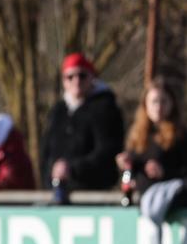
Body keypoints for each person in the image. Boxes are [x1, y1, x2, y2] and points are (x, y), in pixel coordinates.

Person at [40, 52, 124, 193]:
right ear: (63, 81)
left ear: (92, 77)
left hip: (93, 192)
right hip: (58, 189)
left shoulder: (105, 108)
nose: (76, 81)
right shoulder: (58, 111)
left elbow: (107, 150)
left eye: (82, 75)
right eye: (70, 77)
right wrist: (51, 174)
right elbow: (46, 151)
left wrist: (73, 169)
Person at [117, 77, 187, 197]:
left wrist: (164, 173)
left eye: (163, 101)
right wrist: (125, 165)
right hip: (141, 201)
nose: (158, 107)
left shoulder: (181, 135)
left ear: (172, 104)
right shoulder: (137, 134)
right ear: (146, 104)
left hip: (171, 202)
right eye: (154, 101)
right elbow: (130, 174)